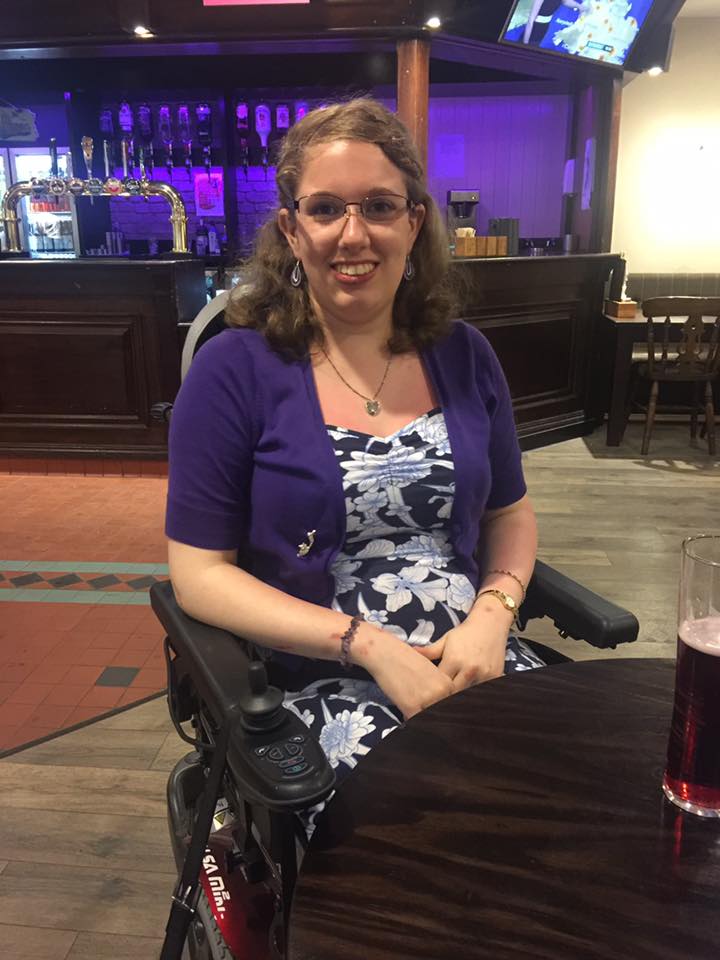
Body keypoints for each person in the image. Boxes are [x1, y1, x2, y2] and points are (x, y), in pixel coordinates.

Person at [165, 98, 542, 829]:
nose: (353, 233)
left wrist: (493, 615)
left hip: (474, 663)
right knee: (426, 842)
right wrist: (367, 645)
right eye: (326, 208)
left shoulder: (464, 354)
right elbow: (198, 574)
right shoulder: (233, 370)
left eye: (378, 205)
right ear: (290, 229)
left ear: (414, 221)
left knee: (566, 815)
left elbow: (510, 513)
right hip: (315, 681)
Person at [522, 0, 591, 45]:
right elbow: (530, 21)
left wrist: (579, 6)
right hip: (533, 29)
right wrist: (525, 44)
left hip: (544, 28)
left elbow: (565, 1)